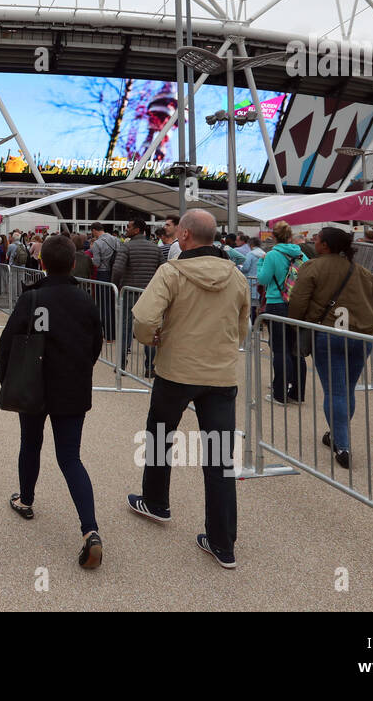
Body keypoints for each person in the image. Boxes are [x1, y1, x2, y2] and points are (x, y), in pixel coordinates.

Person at [126, 210, 249, 570]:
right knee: (220, 456)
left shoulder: (172, 272)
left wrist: (153, 340)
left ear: (184, 236)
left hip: (177, 370)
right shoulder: (237, 276)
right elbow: (243, 325)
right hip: (221, 374)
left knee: (161, 435)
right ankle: (222, 542)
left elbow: (145, 319)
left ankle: (156, 501)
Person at [0, 234, 104, 569]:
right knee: (71, 458)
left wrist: (6, 378)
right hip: (72, 388)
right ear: (74, 263)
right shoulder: (85, 300)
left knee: (30, 443)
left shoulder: (32, 298)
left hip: (34, 385)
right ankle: (90, 530)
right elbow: (95, 346)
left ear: (41, 263)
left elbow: (8, 340)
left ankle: (26, 499)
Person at [287, 227, 373, 468]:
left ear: (325, 245)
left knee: (335, 391)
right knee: (347, 389)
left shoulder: (312, 266)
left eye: (317, 238)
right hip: (360, 334)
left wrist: (296, 325)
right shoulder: (361, 270)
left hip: (328, 333)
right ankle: (336, 435)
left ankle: (342, 444)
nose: (314, 241)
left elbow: (299, 300)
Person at [257, 221, 308, 404]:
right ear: (290, 235)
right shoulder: (302, 254)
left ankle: (280, 393)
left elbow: (263, 279)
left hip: (276, 304)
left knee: (281, 349)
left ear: (274, 236)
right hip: (296, 306)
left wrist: (261, 263)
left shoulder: (272, 255)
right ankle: (297, 392)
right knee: (296, 349)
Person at [112, 218, 163, 376]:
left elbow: (118, 269)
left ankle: (121, 365)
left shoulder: (126, 247)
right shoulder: (156, 248)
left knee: (125, 328)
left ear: (137, 230)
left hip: (129, 292)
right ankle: (150, 367)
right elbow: (163, 270)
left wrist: (115, 286)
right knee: (150, 329)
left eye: (129, 227)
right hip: (149, 294)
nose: (126, 229)